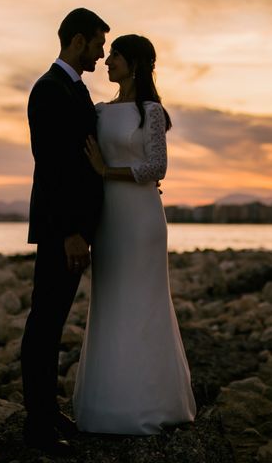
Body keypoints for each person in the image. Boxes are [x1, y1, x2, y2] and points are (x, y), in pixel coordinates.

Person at [74, 34, 197, 435]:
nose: (107, 62)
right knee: (110, 299)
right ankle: (106, 404)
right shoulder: (98, 111)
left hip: (142, 219)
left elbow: (157, 168)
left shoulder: (151, 112)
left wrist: (105, 171)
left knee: (144, 302)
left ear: (135, 63)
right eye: (107, 55)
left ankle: (152, 403)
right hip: (108, 219)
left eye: (115, 57)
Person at [21, 8, 109, 454]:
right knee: (44, 323)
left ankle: (46, 411)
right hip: (63, 230)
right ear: (77, 41)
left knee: (53, 322)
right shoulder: (50, 90)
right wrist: (70, 232)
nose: (101, 54)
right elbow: (53, 169)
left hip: (74, 228)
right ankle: (38, 425)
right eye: (97, 44)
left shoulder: (73, 89)